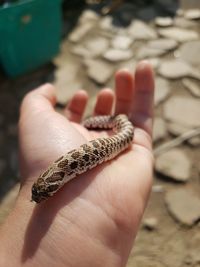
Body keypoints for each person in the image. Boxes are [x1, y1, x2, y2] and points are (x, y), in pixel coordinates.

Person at [0, 61, 154, 267]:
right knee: (116, 125)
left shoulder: (63, 173)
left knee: (120, 128)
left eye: (44, 192)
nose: (39, 197)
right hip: (115, 135)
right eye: (40, 192)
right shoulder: (58, 173)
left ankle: (115, 123)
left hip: (118, 139)